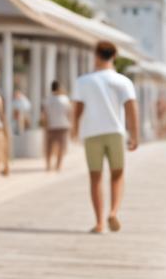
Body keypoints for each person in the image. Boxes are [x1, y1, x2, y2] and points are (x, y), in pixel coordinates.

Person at [72, 40, 139, 234]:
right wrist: (135, 135)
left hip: (92, 133)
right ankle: (113, 211)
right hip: (115, 132)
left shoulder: (83, 81)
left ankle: (100, 223)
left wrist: (74, 129)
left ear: (96, 55)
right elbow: (131, 109)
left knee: (95, 177)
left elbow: (78, 108)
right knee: (117, 175)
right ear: (114, 56)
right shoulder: (122, 81)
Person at [41, 80, 73, 172]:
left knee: (48, 147)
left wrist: (45, 125)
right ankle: (58, 165)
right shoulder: (65, 99)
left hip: (50, 126)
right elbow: (69, 113)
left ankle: (48, 165)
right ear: (59, 88)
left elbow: (44, 114)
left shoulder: (47, 99)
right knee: (61, 147)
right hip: (63, 126)